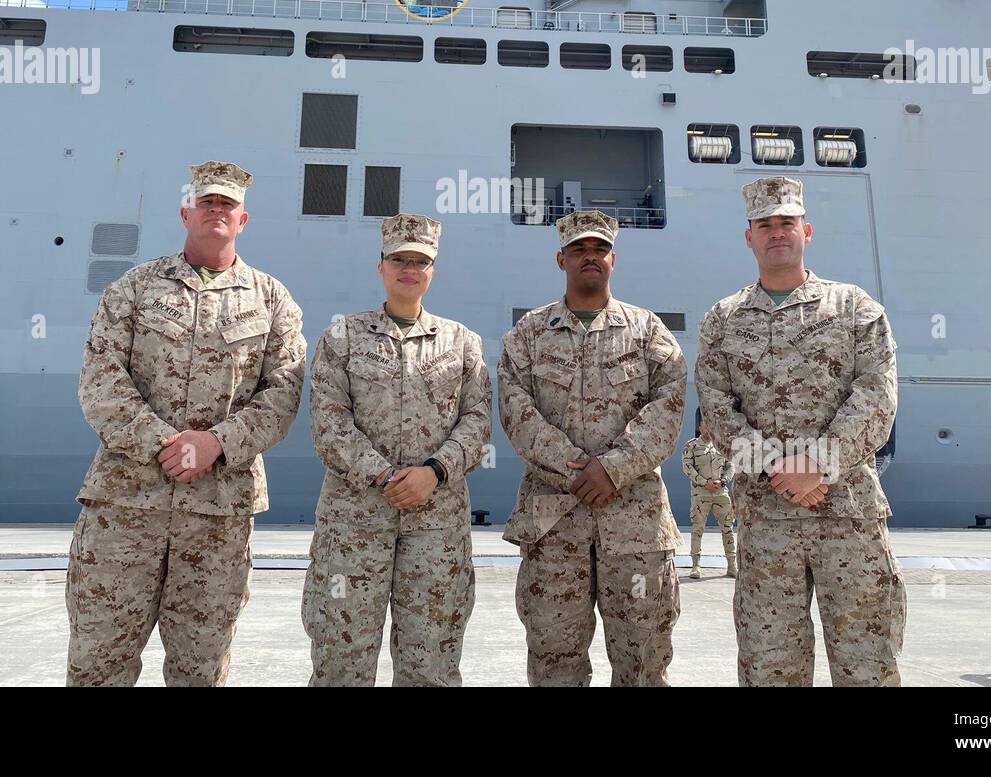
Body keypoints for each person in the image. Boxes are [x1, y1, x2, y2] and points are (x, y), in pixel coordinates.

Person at [66, 161, 306, 686]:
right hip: (124, 509)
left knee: (202, 666)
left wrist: (216, 444)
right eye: (207, 203)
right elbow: (100, 380)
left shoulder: (272, 300)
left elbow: (284, 394)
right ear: (185, 213)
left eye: (227, 205)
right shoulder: (134, 288)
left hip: (217, 515)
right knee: (99, 660)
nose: (216, 211)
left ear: (243, 220)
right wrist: (166, 443)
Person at [695, 176, 905, 687]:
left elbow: (878, 395)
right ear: (749, 237)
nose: (776, 233)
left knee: (867, 663)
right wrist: (778, 469)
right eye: (764, 225)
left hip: (849, 516)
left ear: (806, 230)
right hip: (766, 521)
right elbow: (717, 408)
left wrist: (817, 465)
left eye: (786, 223)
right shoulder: (723, 319)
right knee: (770, 666)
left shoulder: (854, 307)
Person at [301, 214, 491, 686]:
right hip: (354, 524)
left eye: (420, 260)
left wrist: (434, 472)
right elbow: (329, 422)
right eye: (399, 259)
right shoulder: (343, 337)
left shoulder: (462, 343)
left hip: (437, 527)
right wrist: (384, 476)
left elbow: (477, 420)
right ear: (381, 266)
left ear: (433, 270)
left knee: (432, 662)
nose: (410, 268)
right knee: (341, 659)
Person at [498, 210, 686, 686]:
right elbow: (516, 412)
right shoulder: (527, 335)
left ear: (613, 260)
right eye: (579, 250)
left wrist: (614, 469)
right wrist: (576, 471)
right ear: (561, 259)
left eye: (599, 249)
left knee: (643, 657)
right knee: (553, 655)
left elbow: (669, 407)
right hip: (553, 524)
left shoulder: (647, 332)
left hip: (635, 526)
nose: (590, 257)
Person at [682, 413, 737, 579]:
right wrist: (704, 482)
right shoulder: (691, 446)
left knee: (728, 529)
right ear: (700, 428)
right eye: (706, 425)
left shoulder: (721, 446)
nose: (709, 429)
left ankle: (731, 566)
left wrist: (723, 481)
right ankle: (696, 566)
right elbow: (687, 467)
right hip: (701, 494)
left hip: (721, 493)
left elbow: (731, 466)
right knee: (698, 529)